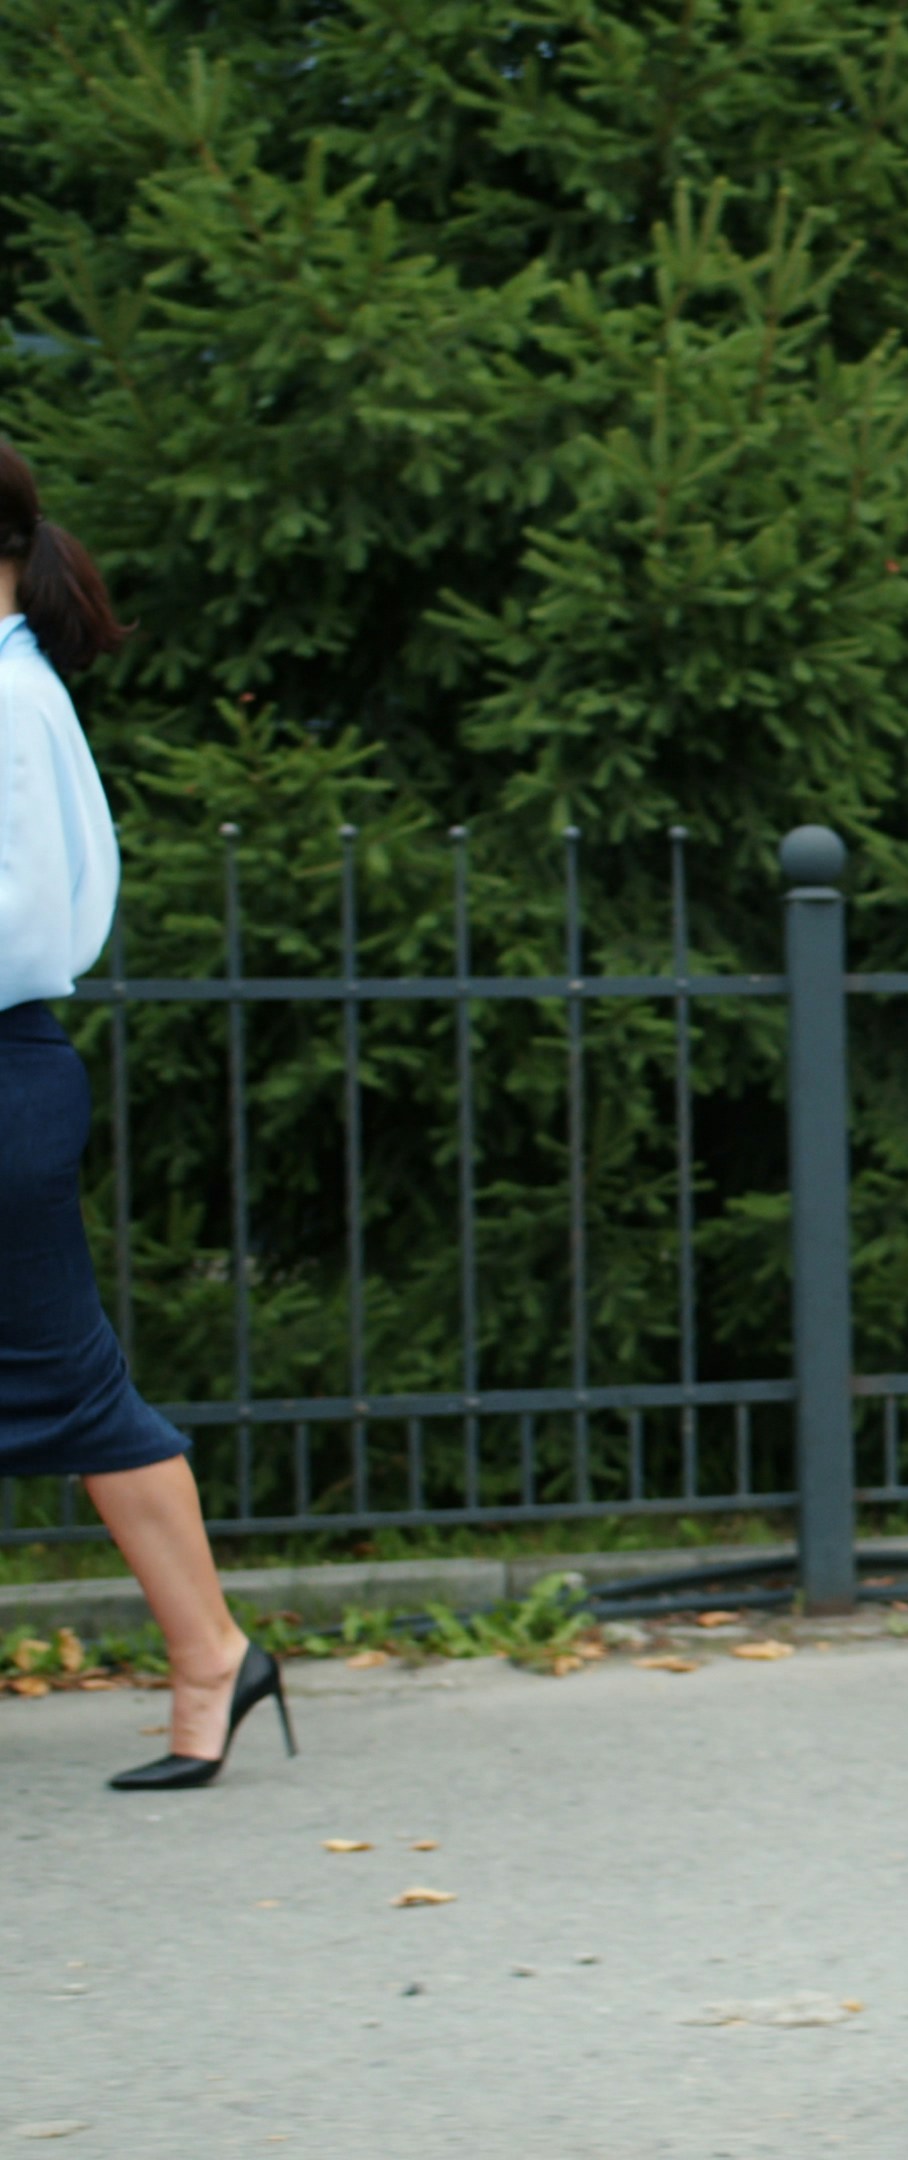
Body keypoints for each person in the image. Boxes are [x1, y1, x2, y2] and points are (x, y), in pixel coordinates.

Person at [0, 435, 290, 1787]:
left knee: (74, 1391)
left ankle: (211, 1656)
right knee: (76, 1389)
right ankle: (212, 1656)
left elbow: (18, 923)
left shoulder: (7, 701)